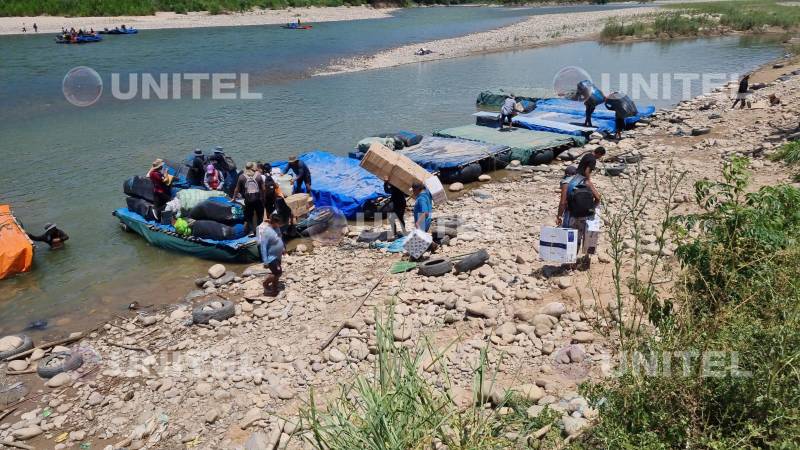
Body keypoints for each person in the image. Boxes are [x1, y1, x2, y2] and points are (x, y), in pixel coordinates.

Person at [557, 153, 601, 257]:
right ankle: (580, 259)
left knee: (570, 237)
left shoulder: (566, 183)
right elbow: (598, 198)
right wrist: (591, 209)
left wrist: (559, 216)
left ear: (566, 175)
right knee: (579, 237)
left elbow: (563, 203)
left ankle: (569, 262)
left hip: (571, 214)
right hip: (584, 215)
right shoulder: (585, 181)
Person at [234, 162, 266, 235]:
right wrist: (264, 198)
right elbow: (264, 189)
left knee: (249, 216)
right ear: (253, 168)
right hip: (258, 199)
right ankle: (260, 230)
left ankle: (252, 231)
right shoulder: (258, 176)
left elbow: (237, 189)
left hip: (248, 200)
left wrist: (234, 198)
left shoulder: (241, 177)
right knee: (260, 215)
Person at [258, 214, 285, 296]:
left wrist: (283, 248)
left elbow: (280, 238)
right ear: (274, 222)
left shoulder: (277, 228)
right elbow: (263, 247)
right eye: (278, 223)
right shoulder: (266, 232)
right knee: (278, 273)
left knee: (276, 272)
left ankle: (274, 288)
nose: (279, 224)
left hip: (278, 256)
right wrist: (265, 261)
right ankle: (265, 283)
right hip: (271, 257)